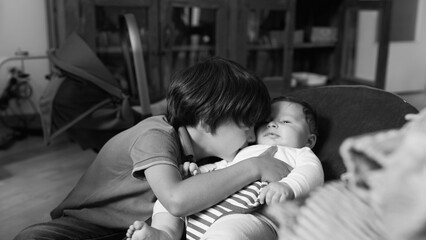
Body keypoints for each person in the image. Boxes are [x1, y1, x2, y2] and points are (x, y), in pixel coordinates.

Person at [14, 56, 291, 240]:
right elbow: (176, 199)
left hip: (139, 231)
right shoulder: (156, 134)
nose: (253, 137)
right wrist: (254, 166)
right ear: (208, 122)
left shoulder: (204, 157)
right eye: (246, 125)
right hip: (88, 225)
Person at [126, 96, 324, 240]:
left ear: (309, 140)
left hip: (254, 216)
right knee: (166, 200)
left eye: (285, 121)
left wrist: (289, 187)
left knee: (230, 231)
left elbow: (311, 173)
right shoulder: (243, 151)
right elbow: (222, 168)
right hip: (203, 212)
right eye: (266, 121)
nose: (272, 124)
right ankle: (165, 233)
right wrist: (197, 173)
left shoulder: (300, 154)